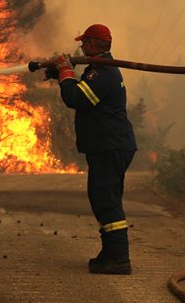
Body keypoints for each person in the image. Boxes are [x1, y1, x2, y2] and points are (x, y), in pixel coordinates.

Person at [51, 23, 137, 275]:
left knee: (106, 201)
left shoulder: (102, 74)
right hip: (109, 145)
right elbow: (80, 91)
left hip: (110, 146)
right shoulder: (100, 71)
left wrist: (66, 72)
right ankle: (110, 253)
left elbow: (75, 99)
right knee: (102, 199)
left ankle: (119, 258)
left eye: (83, 43)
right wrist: (61, 76)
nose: (80, 47)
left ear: (91, 45)